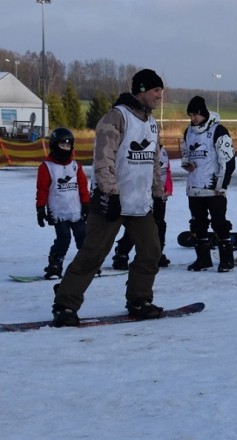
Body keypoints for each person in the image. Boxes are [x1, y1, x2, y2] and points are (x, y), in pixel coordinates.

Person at [51, 69, 166, 326]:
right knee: (93, 254)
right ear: (141, 90)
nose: (160, 95)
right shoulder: (116, 118)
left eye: (161, 90)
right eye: (155, 90)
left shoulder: (151, 123)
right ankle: (65, 304)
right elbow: (104, 159)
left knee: (151, 252)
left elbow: (154, 163)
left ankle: (139, 299)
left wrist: (158, 196)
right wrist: (110, 193)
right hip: (110, 201)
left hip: (139, 203)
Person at [181, 95, 236, 272]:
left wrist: (222, 185)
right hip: (194, 187)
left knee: (219, 223)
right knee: (197, 224)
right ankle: (203, 259)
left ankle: (227, 260)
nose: (193, 118)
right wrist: (186, 163)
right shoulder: (188, 131)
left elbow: (228, 161)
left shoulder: (218, 130)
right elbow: (185, 152)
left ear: (203, 113)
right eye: (190, 115)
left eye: (195, 114)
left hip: (214, 189)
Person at [35, 127, 90, 279]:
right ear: (54, 145)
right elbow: (42, 190)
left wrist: (86, 205)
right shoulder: (47, 167)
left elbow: (83, 186)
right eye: (62, 145)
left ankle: (86, 264)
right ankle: (55, 265)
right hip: (58, 212)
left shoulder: (75, 166)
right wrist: (40, 209)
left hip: (76, 211)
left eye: (68, 146)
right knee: (64, 238)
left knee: (83, 236)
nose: (65, 149)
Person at [112, 142, 173, 269]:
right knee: (137, 224)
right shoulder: (142, 151)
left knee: (160, 224)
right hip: (141, 194)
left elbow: (166, 171)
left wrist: (167, 188)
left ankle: (157, 252)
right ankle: (122, 253)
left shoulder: (162, 152)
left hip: (158, 194)